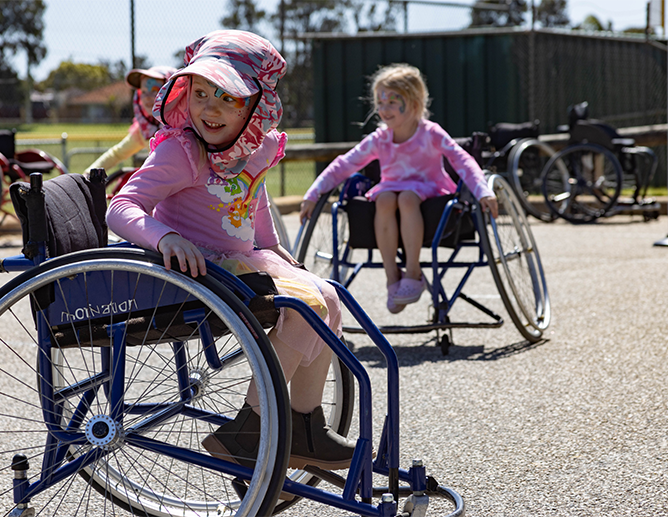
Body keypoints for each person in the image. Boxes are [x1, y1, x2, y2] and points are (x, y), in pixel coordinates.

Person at [107, 30, 355, 470]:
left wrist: (278, 251)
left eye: (228, 98)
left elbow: (253, 198)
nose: (210, 109)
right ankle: (251, 426)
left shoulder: (251, 149)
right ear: (185, 95)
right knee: (305, 306)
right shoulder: (181, 153)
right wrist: (165, 237)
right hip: (195, 269)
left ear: (255, 107)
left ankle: (305, 421)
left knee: (329, 297)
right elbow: (121, 206)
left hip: (239, 263)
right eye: (200, 93)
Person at [300, 63, 499, 314]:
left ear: (414, 103)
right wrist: (313, 193)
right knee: (383, 199)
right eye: (380, 103)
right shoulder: (380, 139)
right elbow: (344, 165)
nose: (383, 110)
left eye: (392, 102)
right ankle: (392, 276)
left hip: (430, 192)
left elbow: (462, 160)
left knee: (406, 198)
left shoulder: (430, 133)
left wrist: (483, 191)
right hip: (391, 190)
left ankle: (413, 273)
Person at [83, 65, 176, 175]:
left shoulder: (183, 126)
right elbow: (117, 154)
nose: (147, 97)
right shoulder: (145, 129)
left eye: (155, 91)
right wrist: (87, 174)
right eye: (144, 91)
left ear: (173, 91)